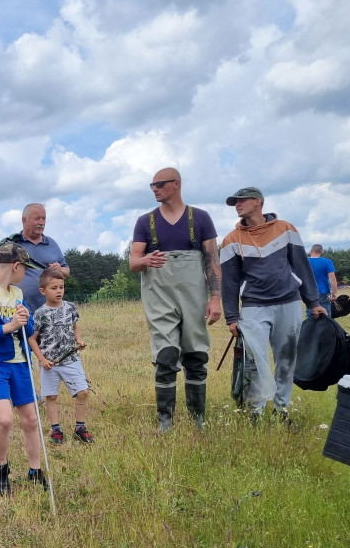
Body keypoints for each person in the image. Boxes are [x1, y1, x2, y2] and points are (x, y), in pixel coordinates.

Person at [220, 186, 326, 418]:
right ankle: (255, 411)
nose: (237, 205)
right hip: (254, 306)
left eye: (241, 201)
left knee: (286, 359)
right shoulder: (231, 240)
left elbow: (302, 266)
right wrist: (231, 316)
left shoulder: (285, 229)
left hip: (288, 302)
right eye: (234, 202)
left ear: (258, 202)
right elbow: (229, 281)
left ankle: (281, 409)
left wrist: (313, 302)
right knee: (255, 362)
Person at [129, 167, 222, 431]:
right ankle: (165, 419)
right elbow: (134, 262)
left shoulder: (201, 218)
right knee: (166, 355)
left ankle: (197, 418)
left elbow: (213, 262)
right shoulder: (145, 222)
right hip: (159, 297)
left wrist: (215, 299)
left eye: (159, 184)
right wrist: (145, 260)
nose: (154, 189)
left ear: (176, 184)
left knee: (195, 355)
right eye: (152, 185)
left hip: (193, 296)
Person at [0, 242, 46, 496]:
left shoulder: (18, 294)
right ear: (16, 266)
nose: (26, 273)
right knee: (4, 420)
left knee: (31, 419)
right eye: (25, 268)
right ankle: (0, 468)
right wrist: (10, 325)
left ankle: (35, 470)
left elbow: (26, 330)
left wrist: (25, 321)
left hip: (21, 363)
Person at [32, 267, 94, 445]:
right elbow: (32, 339)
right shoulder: (39, 314)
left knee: (82, 392)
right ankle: (56, 429)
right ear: (43, 291)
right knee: (50, 396)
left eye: (61, 287)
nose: (59, 291)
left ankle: (80, 427)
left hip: (70, 360)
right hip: (50, 363)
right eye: (54, 288)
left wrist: (79, 340)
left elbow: (74, 327)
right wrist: (42, 359)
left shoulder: (71, 308)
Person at [0, 202, 69, 312]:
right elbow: (1, 274)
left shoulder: (52, 243)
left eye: (44, 219)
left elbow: (67, 270)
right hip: (18, 308)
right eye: (37, 219)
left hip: (50, 309)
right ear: (24, 220)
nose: (41, 222)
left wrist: (60, 269)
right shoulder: (12, 244)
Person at [307, 244, 338, 319]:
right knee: (326, 316)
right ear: (321, 252)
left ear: (311, 251)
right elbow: (332, 279)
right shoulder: (327, 262)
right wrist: (334, 293)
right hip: (324, 292)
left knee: (311, 316)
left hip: (309, 293)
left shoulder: (305, 261)